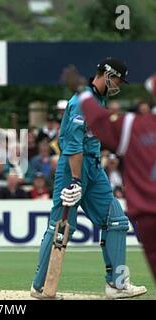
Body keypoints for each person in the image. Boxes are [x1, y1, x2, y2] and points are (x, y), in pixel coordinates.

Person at [30, 58, 147, 300]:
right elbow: (73, 147)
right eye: (117, 79)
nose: (119, 85)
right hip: (74, 169)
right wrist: (75, 180)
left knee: (117, 221)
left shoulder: (98, 100)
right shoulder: (80, 103)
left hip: (94, 168)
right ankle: (40, 287)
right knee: (60, 228)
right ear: (106, 74)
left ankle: (116, 284)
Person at [61, 65, 156, 280]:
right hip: (83, 167)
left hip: (149, 215)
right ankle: (116, 283)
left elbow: (99, 121)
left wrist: (82, 91)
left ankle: (116, 283)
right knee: (111, 222)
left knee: (117, 221)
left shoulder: (134, 125)